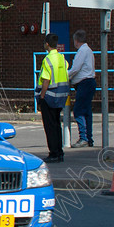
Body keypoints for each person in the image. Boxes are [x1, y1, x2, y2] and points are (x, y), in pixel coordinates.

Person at [37, 33, 70, 163]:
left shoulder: (47, 60)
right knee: (56, 125)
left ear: (47, 44)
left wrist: (42, 96)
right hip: (61, 96)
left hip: (49, 96)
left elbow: (46, 80)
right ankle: (59, 152)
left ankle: (53, 153)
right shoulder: (62, 58)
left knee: (49, 126)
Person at [68, 29, 96, 148]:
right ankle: (89, 138)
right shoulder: (88, 50)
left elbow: (75, 68)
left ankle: (83, 138)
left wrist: (66, 75)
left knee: (78, 111)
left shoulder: (82, 51)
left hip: (84, 83)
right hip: (89, 82)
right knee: (86, 112)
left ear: (76, 40)